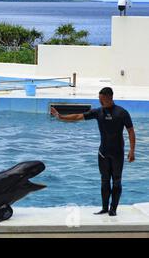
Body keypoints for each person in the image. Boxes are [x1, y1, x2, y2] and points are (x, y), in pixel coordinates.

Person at [50, 87, 136, 216]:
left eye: (102, 99)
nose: (100, 102)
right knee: (104, 180)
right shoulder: (98, 112)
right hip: (103, 152)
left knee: (116, 180)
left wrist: (132, 150)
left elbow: (130, 131)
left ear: (109, 98)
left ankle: (113, 210)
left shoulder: (122, 113)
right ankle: (105, 208)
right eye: (99, 99)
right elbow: (79, 116)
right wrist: (60, 116)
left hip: (117, 152)